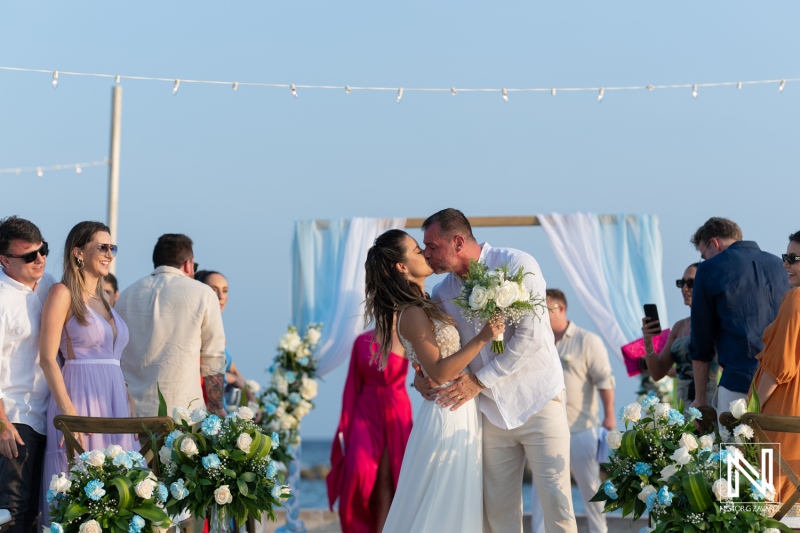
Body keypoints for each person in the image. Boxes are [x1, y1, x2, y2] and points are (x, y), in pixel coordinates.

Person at [416, 208, 577, 533]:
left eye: (432, 246)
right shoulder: (441, 294)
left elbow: (530, 339)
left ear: (458, 241)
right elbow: (444, 352)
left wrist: (477, 381)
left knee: (557, 506)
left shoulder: (518, 264)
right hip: (490, 414)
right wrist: (423, 377)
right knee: (497, 515)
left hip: (538, 401)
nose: (426, 254)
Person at [364, 229, 504, 533]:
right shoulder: (412, 312)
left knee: (453, 504)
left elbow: (428, 367)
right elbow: (440, 372)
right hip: (448, 409)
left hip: (457, 406)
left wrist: (419, 379)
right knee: (443, 506)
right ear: (401, 267)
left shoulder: (427, 301)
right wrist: (484, 338)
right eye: (417, 250)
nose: (425, 254)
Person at [38, 221, 136, 527]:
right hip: (79, 399)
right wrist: (69, 414)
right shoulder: (63, 293)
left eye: (112, 248)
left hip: (115, 405)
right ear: (78, 252)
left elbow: (113, 360)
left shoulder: (104, 300)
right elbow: (47, 358)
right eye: (102, 247)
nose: (109, 254)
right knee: (79, 489)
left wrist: (129, 401)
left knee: (116, 492)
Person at [530, 289, 615, 533]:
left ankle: (600, 531)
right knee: (540, 491)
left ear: (561, 308)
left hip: (581, 429)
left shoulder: (588, 341)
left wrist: (609, 415)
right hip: (544, 430)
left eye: (544, 309)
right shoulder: (536, 340)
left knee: (591, 490)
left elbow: (605, 381)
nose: (539, 315)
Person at [116, 234, 226, 418]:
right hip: (183, 412)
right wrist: (216, 407)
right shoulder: (203, 294)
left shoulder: (126, 296)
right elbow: (213, 357)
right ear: (188, 264)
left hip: (132, 412)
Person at [688, 217, 789, 415]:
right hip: (784, 384)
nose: (705, 260)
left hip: (738, 383)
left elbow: (701, 341)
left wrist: (700, 398)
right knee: (773, 447)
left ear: (714, 243)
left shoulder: (709, 269)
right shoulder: (781, 266)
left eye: (703, 254)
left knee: (733, 446)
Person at [0, 216, 55, 533]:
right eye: (29, 256)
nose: (40, 259)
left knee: (39, 509)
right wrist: (2, 424)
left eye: (43, 250)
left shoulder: (48, 284)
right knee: (12, 511)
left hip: (49, 416)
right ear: (5, 259)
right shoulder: (3, 298)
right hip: (16, 419)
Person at [327, 330, 413, 533]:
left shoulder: (408, 335)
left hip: (396, 411)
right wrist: (346, 426)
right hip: (365, 411)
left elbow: (427, 369)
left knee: (389, 477)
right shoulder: (361, 341)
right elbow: (352, 385)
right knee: (358, 469)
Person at [750, 231, 800, 503]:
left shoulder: (796, 298)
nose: (785, 264)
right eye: (785, 257)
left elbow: (779, 367)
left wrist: (749, 414)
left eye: (793, 258)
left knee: (772, 505)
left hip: (782, 414)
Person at [641, 263, 720, 404]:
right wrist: (648, 342)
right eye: (681, 283)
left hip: (711, 404)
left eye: (690, 283)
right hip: (683, 406)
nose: (684, 288)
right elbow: (657, 373)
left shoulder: (718, 322)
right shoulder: (679, 327)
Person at [195, 270, 254, 408]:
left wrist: (251, 400)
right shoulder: (198, 330)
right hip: (205, 405)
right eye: (214, 290)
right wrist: (231, 379)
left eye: (225, 290)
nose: (221, 296)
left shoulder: (219, 330)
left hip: (222, 404)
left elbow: (234, 371)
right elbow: (199, 372)